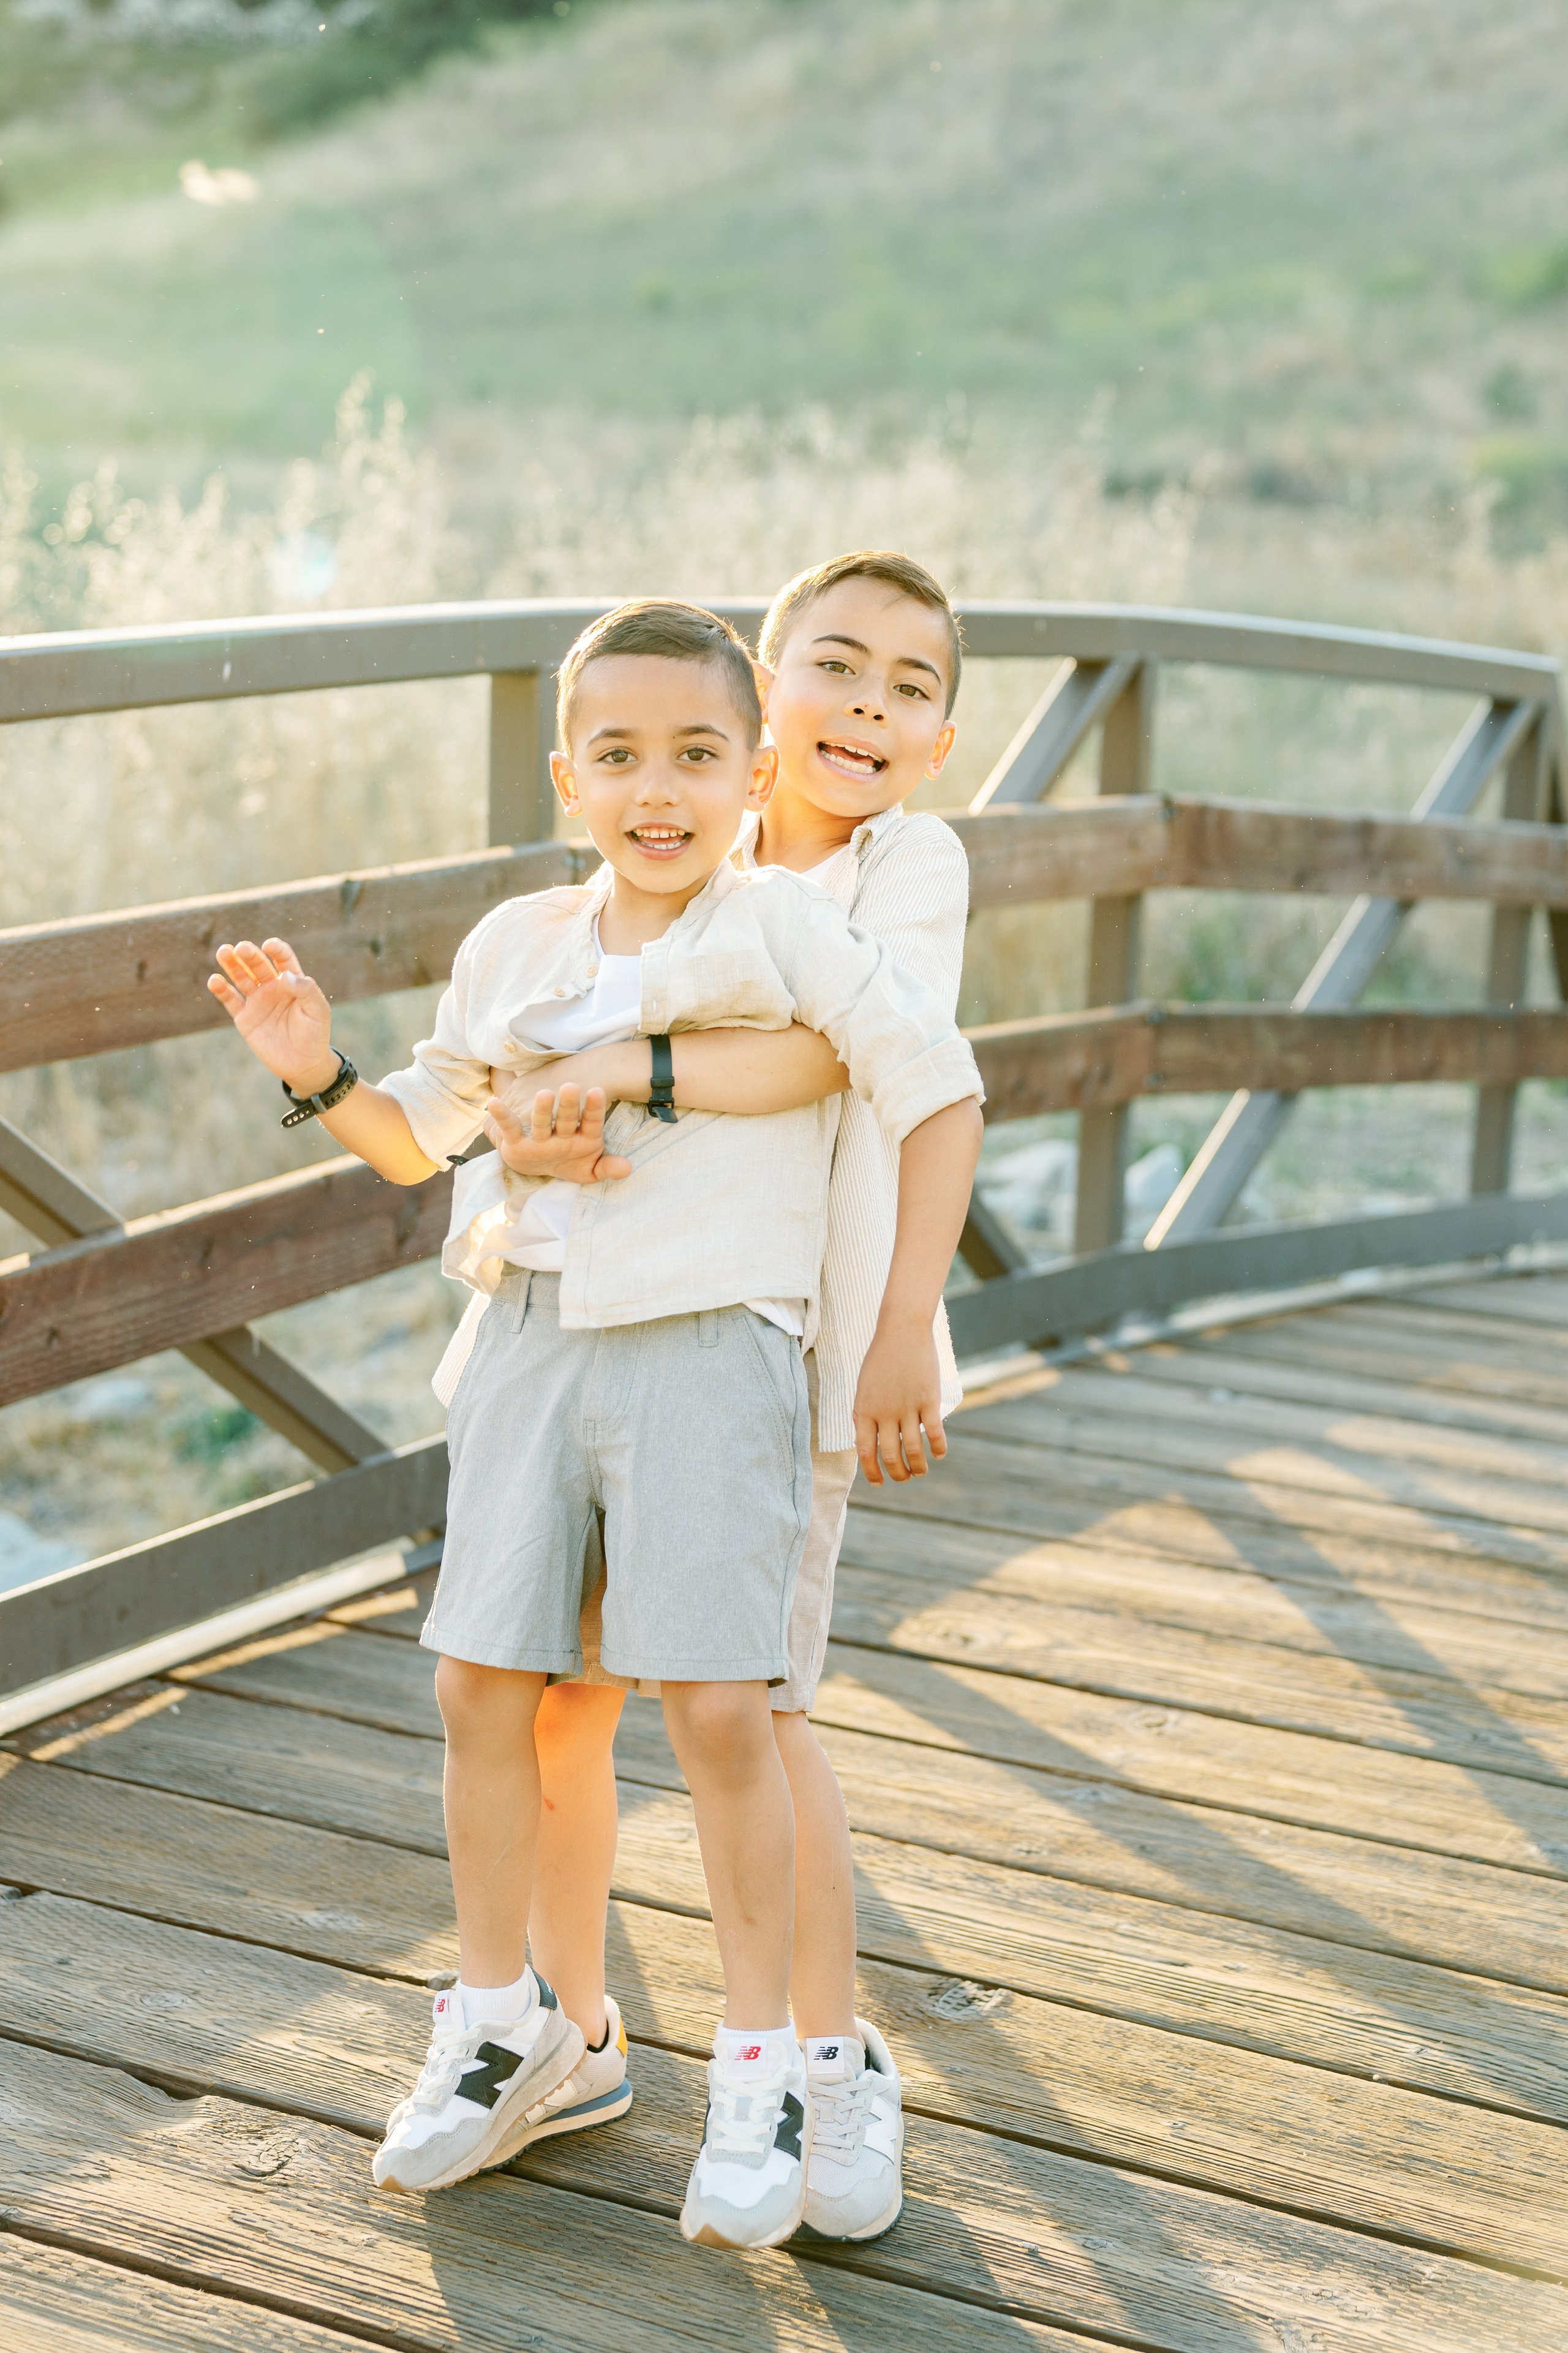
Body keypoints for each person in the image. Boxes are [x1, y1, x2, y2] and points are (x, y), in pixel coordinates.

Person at [205, 597, 982, 2251]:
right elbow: (432, 1135)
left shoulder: (787, 930)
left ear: (751, 769)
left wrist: (905, 1320)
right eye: (618, 756)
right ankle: (505, 2013)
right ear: (567, 776)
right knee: (485, 1677)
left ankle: (765, 2067)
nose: (658, 788)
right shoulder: (516, 944)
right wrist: (321, 1072)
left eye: (699, 756)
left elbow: (938, 1085)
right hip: (531, 1341)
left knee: (721, 1706)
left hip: (716, 1341)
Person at [503, 551, 970, 2244]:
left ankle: (827, 2056)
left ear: (936, 742)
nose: (866, 703)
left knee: (756, 1707)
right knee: (555, 1686)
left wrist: (903, 1327)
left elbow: (875, 1061)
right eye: (831, 667)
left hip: (791, 1348)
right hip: (602, 1340)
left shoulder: (905, 871)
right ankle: (560, 2021)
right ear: (757, 701)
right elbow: (524, 1043)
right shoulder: (677, 847)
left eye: (910, 688)